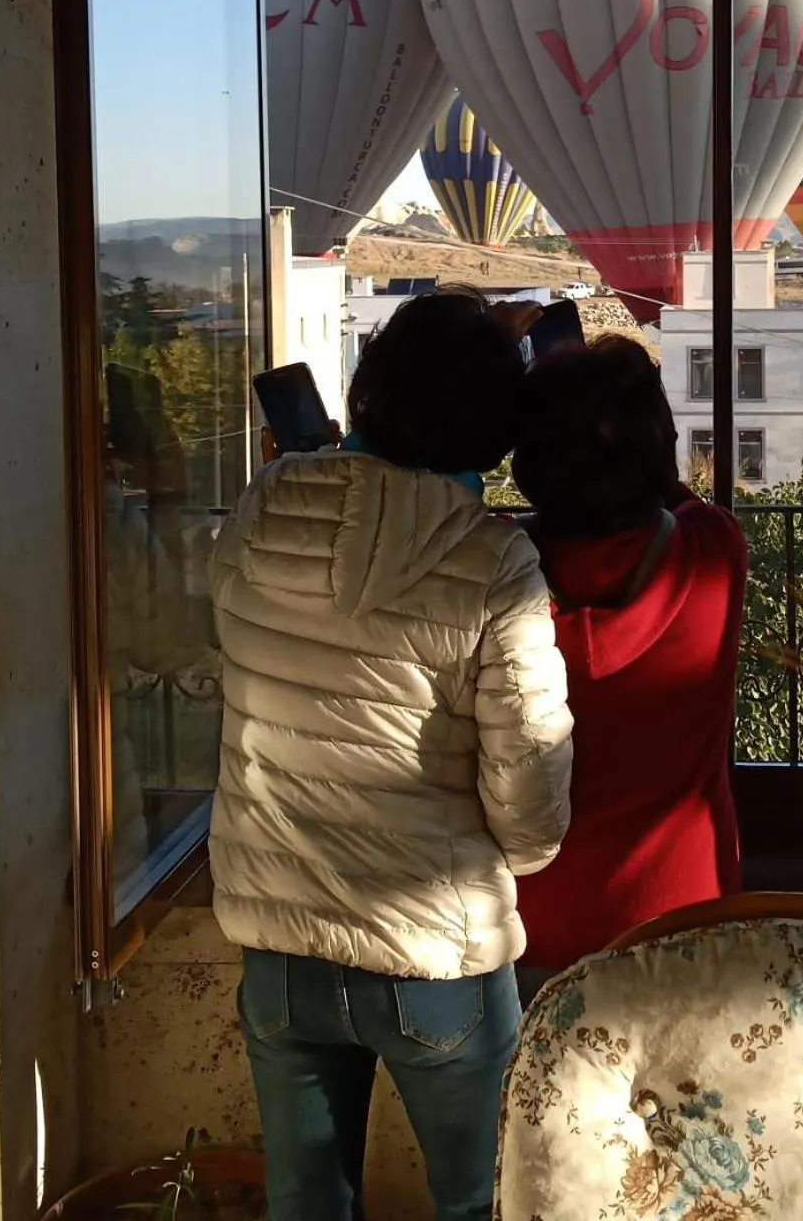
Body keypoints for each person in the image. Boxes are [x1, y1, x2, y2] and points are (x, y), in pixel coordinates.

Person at [209, 290, 572, 1221]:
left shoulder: (261, 509)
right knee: (489, 1202)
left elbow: (225, 637)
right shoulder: (494, 564)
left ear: (366, 389)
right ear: (496, 431)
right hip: (436, 950)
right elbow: (530, 786)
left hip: (280, 944)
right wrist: (516, 859)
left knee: (305, 1205)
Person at [508, 334, 747, 1007]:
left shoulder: (489, 575)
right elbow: (673, 494)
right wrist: (629, 434)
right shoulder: (714, 551)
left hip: (530, 934)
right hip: (690, 922)